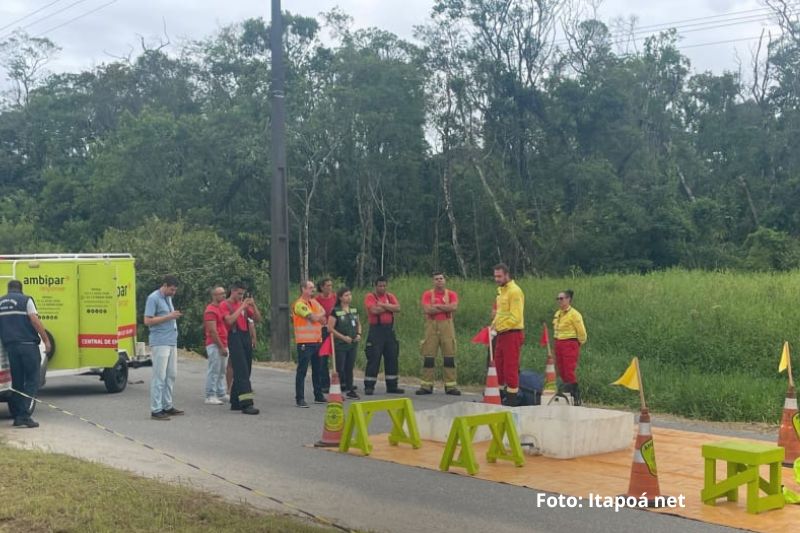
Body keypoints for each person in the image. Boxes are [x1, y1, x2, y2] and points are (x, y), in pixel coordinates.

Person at [0, 280, 52, 428]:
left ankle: (17, 415)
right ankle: (24, 416)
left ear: (8, 289)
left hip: (10, 347)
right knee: (32, 380)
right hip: (28, 346)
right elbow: (35, 321)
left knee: (17, 382)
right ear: (20, 289)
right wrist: (46, 340)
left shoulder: (1, 302)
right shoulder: (26, 300)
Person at [144, 275, 184, 420]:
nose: (173, 293)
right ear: (165, 285)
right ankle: (156, 409)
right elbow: (147, 320)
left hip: (171, 340)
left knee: (171, 375)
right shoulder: (153, 298)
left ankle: (167, 405)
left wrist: (172, 316)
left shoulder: (168, 298)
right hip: (160, 341)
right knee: (159, 376)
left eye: (175, 290)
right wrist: (169, 317)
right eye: (172, 290)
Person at [220, 282, 262, 415]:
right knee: (242, 371)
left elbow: (257, 319)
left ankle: (235, 401)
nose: (241, 296)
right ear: (232, 291)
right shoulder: (225, 305)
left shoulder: (242, 304)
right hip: (234, 336)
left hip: (245, 338)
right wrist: (242, 306)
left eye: (243, 294)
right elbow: (229, 321)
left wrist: (252, 305)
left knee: (246, 370)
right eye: (239, 293)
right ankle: (247, 404)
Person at [417, 271, 460, 395]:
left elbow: (453, 307)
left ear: (445, 280)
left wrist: (437, 306)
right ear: (433, 281)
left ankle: (450, 386)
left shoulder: (451, 294)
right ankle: (426, 385)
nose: (439, 281)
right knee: (429, 357)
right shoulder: (427, 294)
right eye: (436, 279)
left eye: (441, 278)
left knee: (449, 357)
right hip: (431, 327)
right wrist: (444, 307)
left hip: (447, 326)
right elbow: (427, 310)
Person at [490, 264, 525, 407]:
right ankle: (498, 396)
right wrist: (493, 325)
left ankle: (512, 401)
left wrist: (498, 327)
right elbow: (500, 314)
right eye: (495, 276)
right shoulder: (501, 292)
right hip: (502, 334)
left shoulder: (515, 291)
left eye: (499, 276)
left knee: (510, 368)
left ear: (507, 275)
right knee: (498, 366)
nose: (497, 279)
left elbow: (515, 317)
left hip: (512, 333)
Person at [364, 276, 404, 395]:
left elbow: (397, 308)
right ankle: (369, 386)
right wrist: (389, 308)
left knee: (392, 357)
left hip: (389, 331)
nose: (382, 288)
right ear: (375, 286)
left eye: (384, 285)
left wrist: (383, 305)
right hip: (376, 331)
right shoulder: (370, 297)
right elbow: (374, 310)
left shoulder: (390, 296)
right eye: (380, 286)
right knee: (374, 358)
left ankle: (392, 386)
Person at [292, 280, 327, 407]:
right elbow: (313, 318)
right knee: (302, 371)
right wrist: (317, 316)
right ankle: (300, 398)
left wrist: (317, 316)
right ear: (303, 289)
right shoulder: (299, 304)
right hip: (304, 342)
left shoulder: (314, 302)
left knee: (318, 370)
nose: (313, 290)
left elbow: (323, 315)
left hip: (317, 341)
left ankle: (318, 395)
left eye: (313, 288)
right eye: (310, 287)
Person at [553, 289, 587, 406]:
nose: (559, 301)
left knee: (569, 370)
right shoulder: (558, 314)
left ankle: (575, 395)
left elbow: (581, 331)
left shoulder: (574, 314)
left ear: (568, 299)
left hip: (570, 343)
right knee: (561, 369)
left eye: (562, 298)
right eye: (558, 299)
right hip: (559, 342)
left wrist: (579, 343)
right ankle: (567, 393)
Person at [327, 287, 361, 399]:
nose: (349, 297)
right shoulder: (335, 311)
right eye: (346, 295)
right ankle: (339, 390)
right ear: (340, 297)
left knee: (349, 367)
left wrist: (359, 334)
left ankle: (350, 389)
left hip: (352, 343)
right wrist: (343, 337)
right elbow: (330, 328)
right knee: (340, 368)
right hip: (340, 345)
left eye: (350, 294)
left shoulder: (353, 310)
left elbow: (358, 323)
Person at [203, 287, 229, 405]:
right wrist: (221, 347)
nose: (224, 296)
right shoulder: (211, 310)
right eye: (221, 294)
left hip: (223, 342)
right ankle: (210, 395)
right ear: (214, 295)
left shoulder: (221, 308)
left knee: (221, 370)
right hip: (215, 344)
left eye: (224, 293)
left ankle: (221, 392)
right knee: (214, 370)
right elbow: (212, 331)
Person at [316, 277, 336, 394]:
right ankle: (324, 383)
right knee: (323, 357)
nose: (330, 287)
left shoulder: (334, 297)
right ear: (322, 287)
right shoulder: (317, 300)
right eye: (327, 285)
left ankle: (341, 382)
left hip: (334, 329)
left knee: (338, 357)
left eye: (331, 285)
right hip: (323, 330)